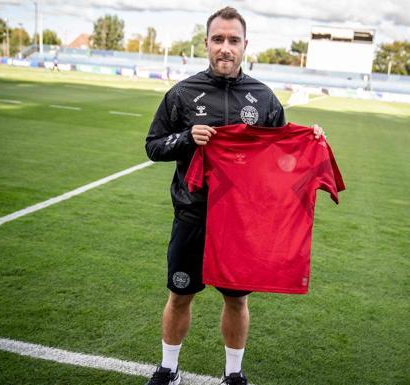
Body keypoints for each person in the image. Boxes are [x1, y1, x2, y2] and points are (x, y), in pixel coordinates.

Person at [144, 7, 324, 385]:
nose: (225, 48)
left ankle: (233, 374)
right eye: (218, 39)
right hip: (193, 217)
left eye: (233, 40)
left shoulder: (264, 98)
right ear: (206, 43)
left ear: (245, 46)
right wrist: (185, 139)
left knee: (237, 300)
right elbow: (153, 146)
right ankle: (168, 369)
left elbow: (283, 160)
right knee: (179, 296)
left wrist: (311, 142)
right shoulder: (182, 93)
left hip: (242, 224)